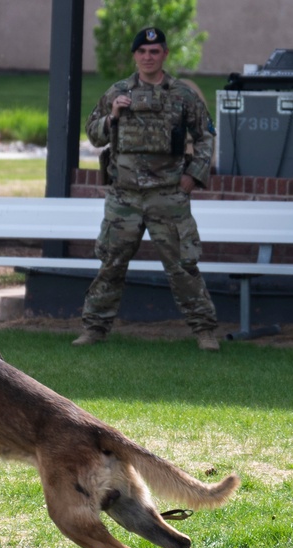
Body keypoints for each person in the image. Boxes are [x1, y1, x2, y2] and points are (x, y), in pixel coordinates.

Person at [73, 27, 220, 351]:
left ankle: (205, 331)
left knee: (183, 266)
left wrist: (193, 175)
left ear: (164, 54)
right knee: (111, 264)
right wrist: (112, 116)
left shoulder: (182, 95)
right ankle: (93, 329)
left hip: (167, 195)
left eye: (155, 52)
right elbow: (94, 134)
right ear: (135, 56)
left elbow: (207, 135)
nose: (148, 57)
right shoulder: (118, 92)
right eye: (142, 52)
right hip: (124, 197)